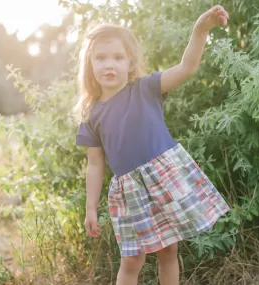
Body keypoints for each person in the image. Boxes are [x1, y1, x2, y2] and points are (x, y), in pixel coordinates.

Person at [74, 5, 231, 285]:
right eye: (101, 58)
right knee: (132, 259)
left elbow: (186, 68)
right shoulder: (90, 113)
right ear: (90, 64)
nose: (109, 64)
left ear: (130, 63)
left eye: (118, 57)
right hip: (130, 190)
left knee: (169, 248)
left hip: (165, 176)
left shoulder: (145, 88)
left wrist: (200, 31)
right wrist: (90, 207)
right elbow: (95, 163)